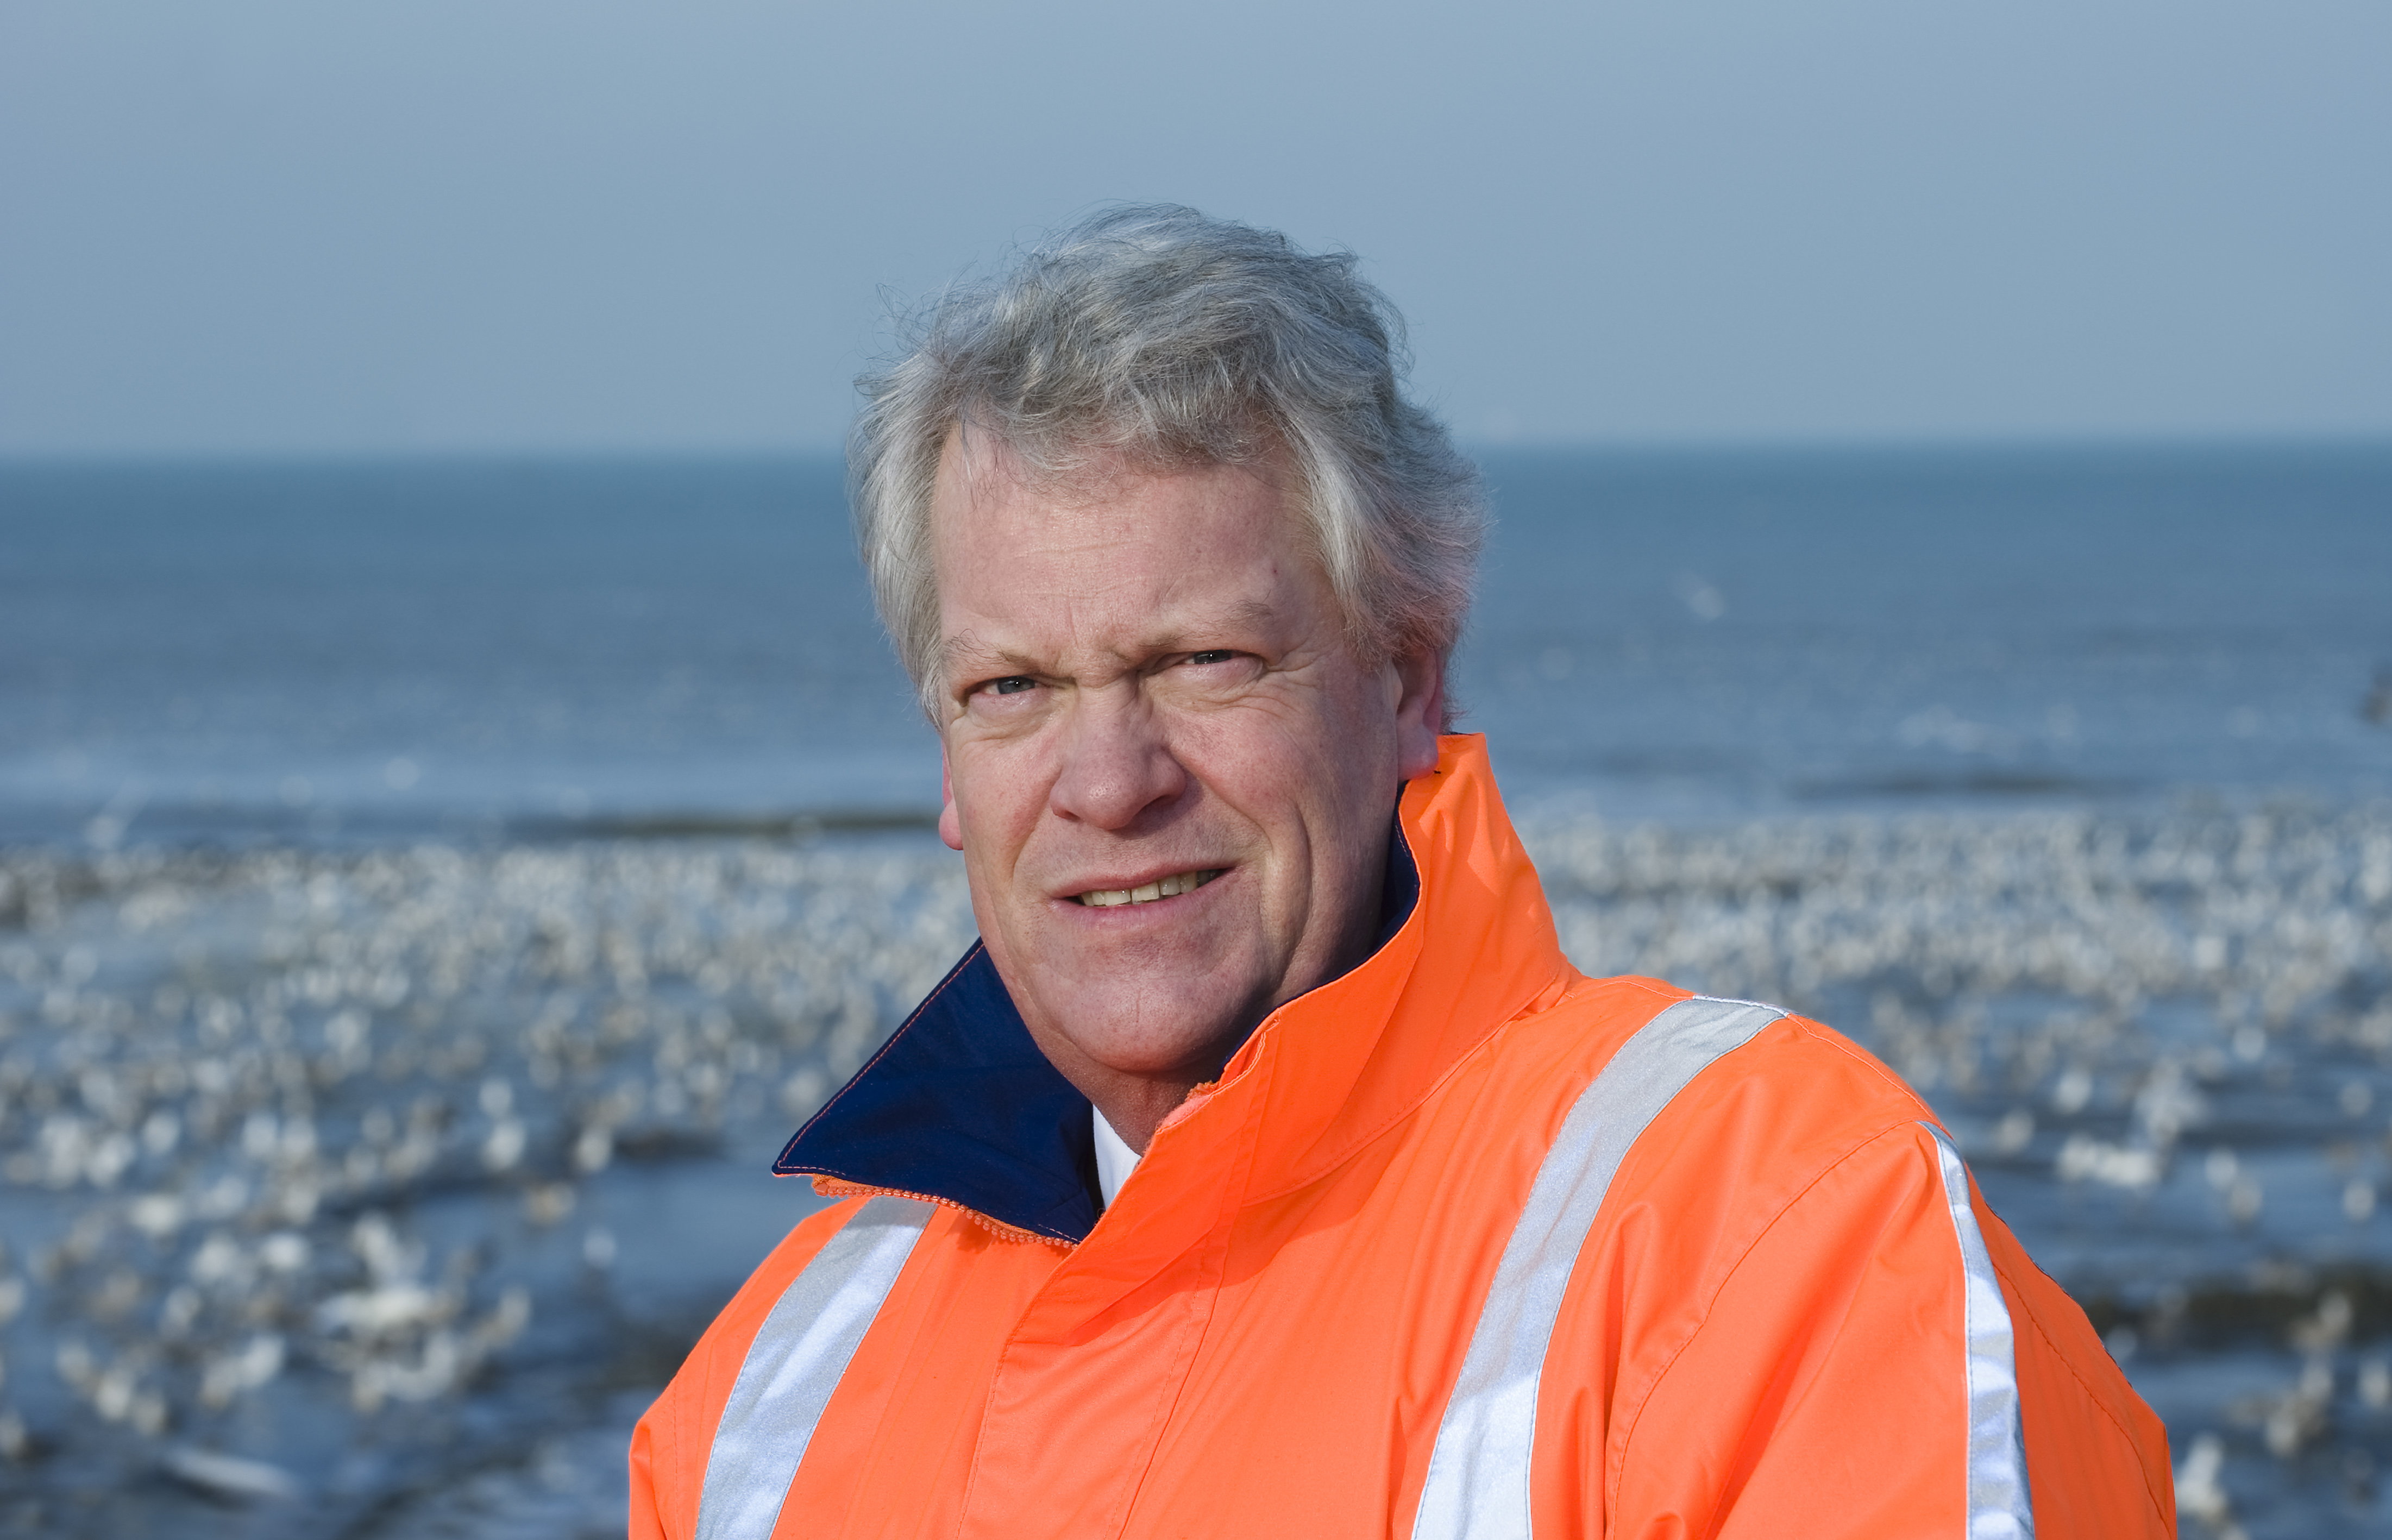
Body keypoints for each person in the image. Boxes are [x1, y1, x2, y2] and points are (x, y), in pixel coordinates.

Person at [629, 206, 2174, 1539]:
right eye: (1010, 689)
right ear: (945, 764)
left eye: (1203, 660)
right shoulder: (771, 1389)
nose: (1108, 783)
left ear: (1407, 679)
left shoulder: (1768, 1223)